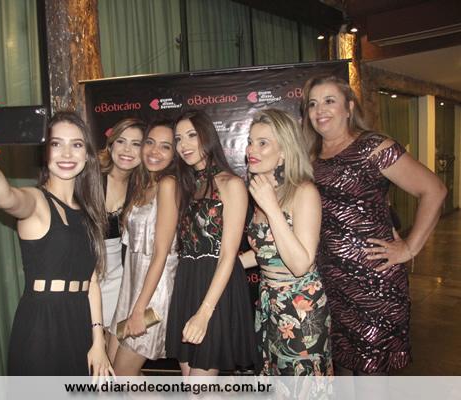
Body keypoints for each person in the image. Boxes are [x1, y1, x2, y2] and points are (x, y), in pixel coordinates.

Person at [302, 76, 447, 375]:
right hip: (330, 283)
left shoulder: (373, 147)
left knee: (371, 376)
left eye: (329, 101)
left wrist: (409, 248)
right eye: (313, 104)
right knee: (343, 371)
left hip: (374, 282)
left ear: (349, 107)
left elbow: (434, 190)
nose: (320, 110)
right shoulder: (310, 158)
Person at [0, 105, 114, 376]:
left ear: (87, 154)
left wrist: (98, 340)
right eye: (56, 144)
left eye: (76, 144)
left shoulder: (88, 211)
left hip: (80, 323)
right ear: (44, 152)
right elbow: (6, 197)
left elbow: (91, 281)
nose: (67, 154)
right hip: (42, 327)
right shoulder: (36, 201)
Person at [239, 109, 332, 376]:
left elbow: (300, 264)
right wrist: (222, 267)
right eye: (250, 141)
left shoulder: (304, 192)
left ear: (283, 153)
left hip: (301, 310)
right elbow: (266, 251)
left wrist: (271, 208)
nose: (251, 149)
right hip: (270, 304)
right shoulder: (264, 191)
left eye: (263, 143)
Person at [166, 109, 257, 376]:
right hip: (187, 283)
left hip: (216, 289)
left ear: (207, 136)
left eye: (191, 135)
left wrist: (205, 312)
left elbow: (228, 254)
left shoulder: (231, 184)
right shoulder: (184, 186)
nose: (184, 144)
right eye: (178, 138)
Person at [107, 119, 180, 375]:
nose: (154, 151)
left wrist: (139, 309)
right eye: (149, 142)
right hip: (131, 287)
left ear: (174, 154)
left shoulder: (168, 185)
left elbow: (161, 254)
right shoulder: (142, 183)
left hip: (153, 293)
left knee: (122, 376)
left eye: (165, 146)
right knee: (112, 372)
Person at [97, 118, 145, 334]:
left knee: (111, 340)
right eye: (121, 141)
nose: (127, 150)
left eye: (136, 144)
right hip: (85, 272)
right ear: (111, 145)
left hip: (119, 275)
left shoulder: (141, 187)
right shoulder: (90, 177)